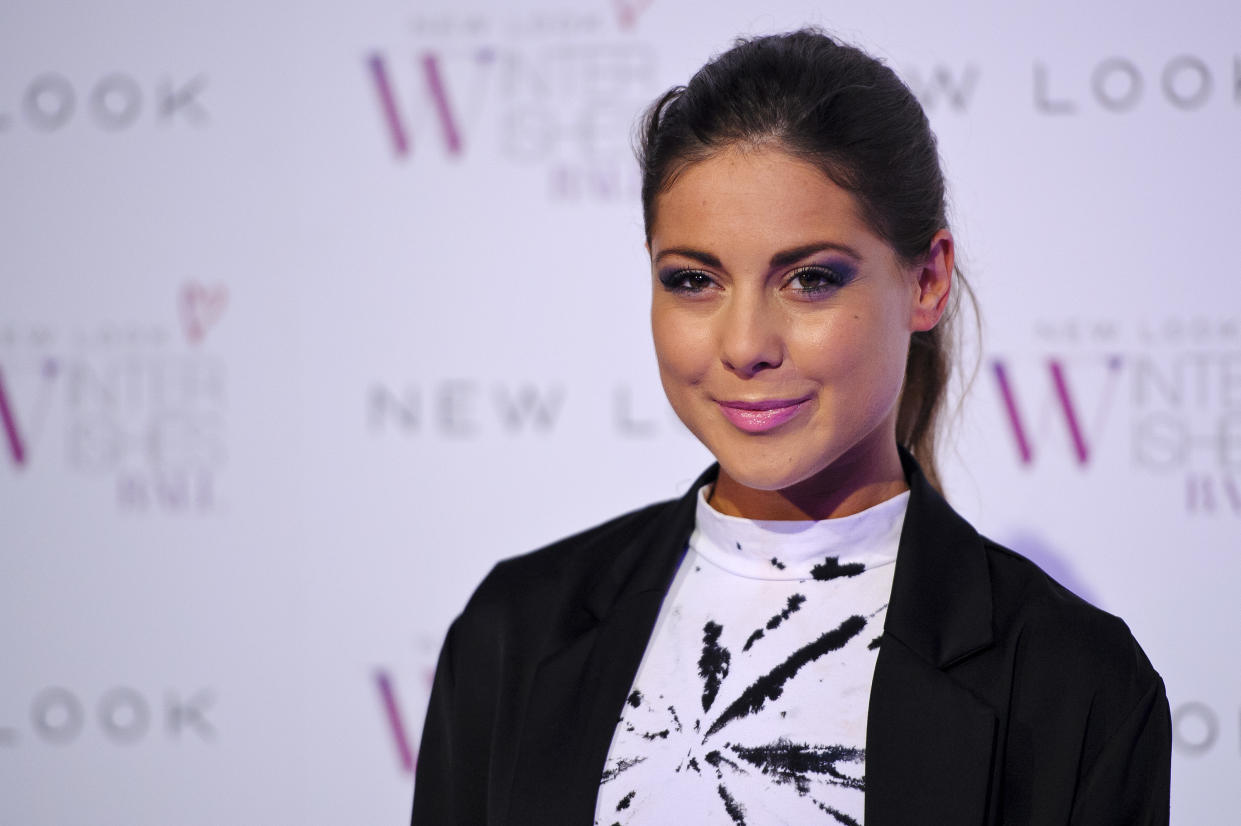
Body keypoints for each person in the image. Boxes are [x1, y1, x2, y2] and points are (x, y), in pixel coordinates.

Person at [411, 29, 1170, 826]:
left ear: (927, 279)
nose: (744, 346)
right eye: (693, 280)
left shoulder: (1071, 681)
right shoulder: (516, 631)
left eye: (809, 279)